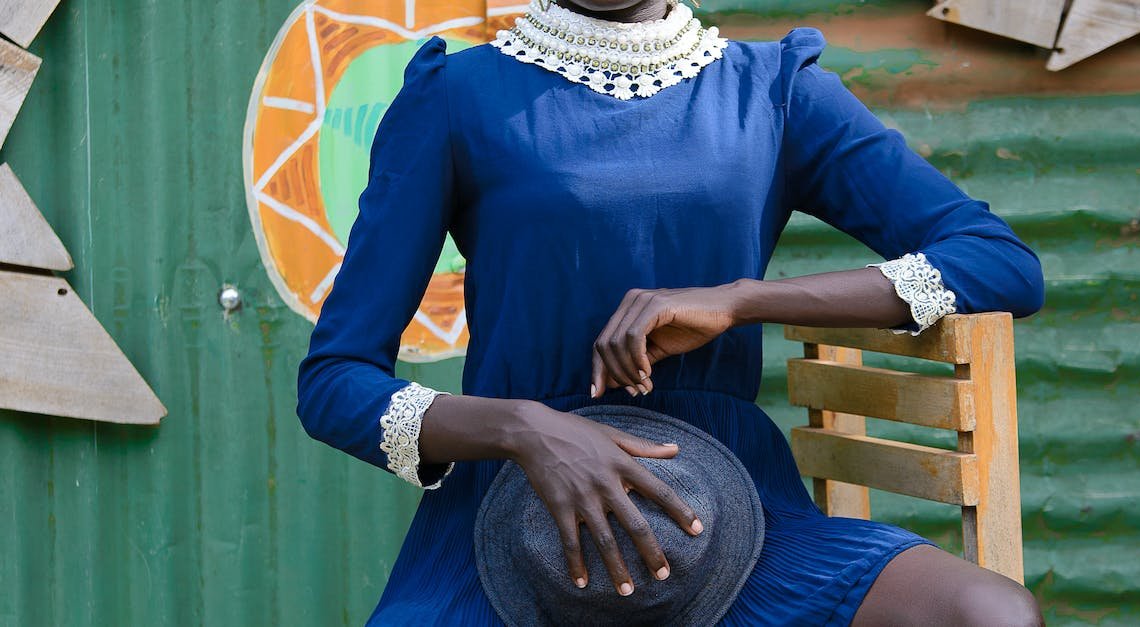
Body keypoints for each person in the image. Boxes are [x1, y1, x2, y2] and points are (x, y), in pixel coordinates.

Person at [295, 0, 1047, 624]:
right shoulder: (454, 96)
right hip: (506, 521)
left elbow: (998, 261)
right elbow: (334, 381)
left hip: (739, 517)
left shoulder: (774, 89)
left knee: (990, 614)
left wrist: (741, 300)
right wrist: (522, 428)